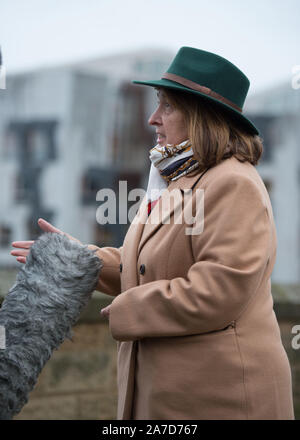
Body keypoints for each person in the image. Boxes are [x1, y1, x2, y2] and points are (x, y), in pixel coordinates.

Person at [10, 47, 294, 420]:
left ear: (202, 117)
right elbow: (143, 266)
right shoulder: (178, 179)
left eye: (167, 107)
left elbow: (222, 289)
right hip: (173, 396)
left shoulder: (234, 183)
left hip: (221, 399)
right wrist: (77, 260)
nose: (152, 118)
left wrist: (130, 309)